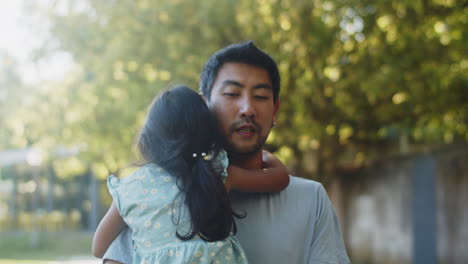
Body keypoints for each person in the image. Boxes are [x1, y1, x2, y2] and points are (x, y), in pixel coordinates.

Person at [102, 41, 350, 263]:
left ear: (275, 111)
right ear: (203, 106)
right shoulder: (153, 197)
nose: (248, 109)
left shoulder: (311, 199)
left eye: (261, 96)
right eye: (232, 94)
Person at [92, 85, 290, 264]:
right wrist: (265, 155)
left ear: (149, 137)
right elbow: (280, 178)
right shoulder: (218, 173)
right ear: (208, 132)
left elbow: (98, 247)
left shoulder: (132, 187)